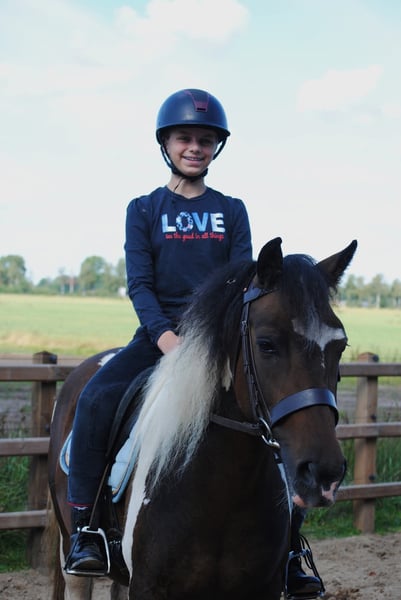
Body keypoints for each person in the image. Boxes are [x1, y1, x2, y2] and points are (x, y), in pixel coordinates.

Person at [65, 87, 322, 599]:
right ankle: (86, 529)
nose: (195, 148)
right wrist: (166, 339)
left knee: (271, 420)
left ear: (216, 148)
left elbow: (244, 282)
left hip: (221, 343)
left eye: (205, 141)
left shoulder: (232, 210)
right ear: (166, 143)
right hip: (157, 337)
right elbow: (140, 284)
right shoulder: (144, 208)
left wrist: (215, 343)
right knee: (94, 400)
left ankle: (291, 550)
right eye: (185, 138)